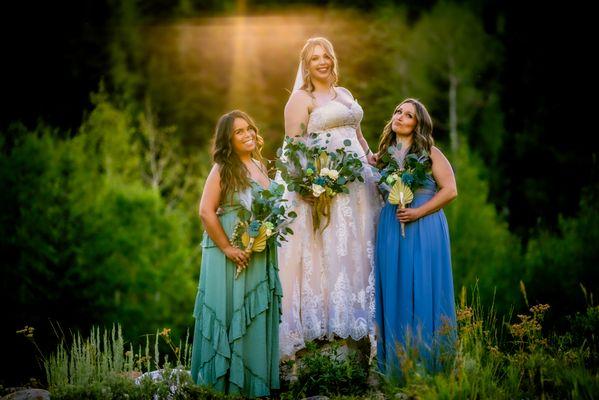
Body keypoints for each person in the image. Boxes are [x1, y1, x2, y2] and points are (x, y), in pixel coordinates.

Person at [277, 37, 382, 359]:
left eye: (326, 56)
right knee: (331, 249)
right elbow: (293, 148)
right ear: (306, 66)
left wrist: (371, 158)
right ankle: (327, 324)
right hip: (329, 187)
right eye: (314, 59)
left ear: (333, 59)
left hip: (359, 186)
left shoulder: (345, 94)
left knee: (358, 247)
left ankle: (359, 318)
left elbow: (358, 135)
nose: (322, 62)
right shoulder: (300, 98)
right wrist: (310, 185)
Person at [190, 110, 281, 398]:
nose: (248, 134)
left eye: (250, 129)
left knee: (253, 314)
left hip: (257, 248)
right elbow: (205, 211)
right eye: (239, 132)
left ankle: (253, 386)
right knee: (228, 311)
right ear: (228, 140)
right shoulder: (222, 168)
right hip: (226, 247)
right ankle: (221, 389)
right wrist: (228, 248)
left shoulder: (260, 166)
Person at [374, 99, 458, 378]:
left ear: (417, 124)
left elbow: (450, 190)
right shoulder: (384, 155)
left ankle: (430, 365)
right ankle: (397, 368)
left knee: (422, 283)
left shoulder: (430, 153)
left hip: (424, 224)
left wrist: (418, 212)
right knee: (395, 284)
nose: (400, 116)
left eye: (408, 115)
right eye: (398, 111)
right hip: (391, 223)